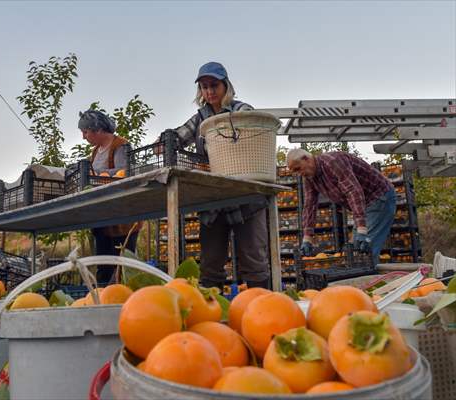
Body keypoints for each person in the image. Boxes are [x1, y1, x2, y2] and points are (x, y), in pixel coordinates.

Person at [160, 61, 270, 289]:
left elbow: (253, 133)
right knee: (211, 263)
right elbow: (180, 135)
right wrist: (165, 141)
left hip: (245, 196)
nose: (209, 92)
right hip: (214, 201)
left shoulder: (242, 110)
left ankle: (261, 311)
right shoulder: (201, 117)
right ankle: (212, 313)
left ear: (225, 86)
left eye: (214, 85)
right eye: (204, 87)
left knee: (253, 259)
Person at [287, 148, 396, 266]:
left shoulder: (333, 162)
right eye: (295, 172)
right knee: (356, 251)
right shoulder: (309, 178)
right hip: (365, 204)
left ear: (306, 159)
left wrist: (362, 229)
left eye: (298, 169)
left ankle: (370, 282)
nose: (299, 173)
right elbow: (309, 205)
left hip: (379, 197)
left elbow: (352, 191)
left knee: (364, 253)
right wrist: (307, 238)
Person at [78, 110, 142, 284]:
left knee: (122, 265)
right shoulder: (95, 151)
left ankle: (123, 302)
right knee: (103, 265)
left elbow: (125, 171)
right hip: (102, 216)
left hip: (122, 215)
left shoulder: (120, 145)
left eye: (85, 132)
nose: (84, 137)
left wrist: (96, 174)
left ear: (97, 129)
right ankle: (103, 301)